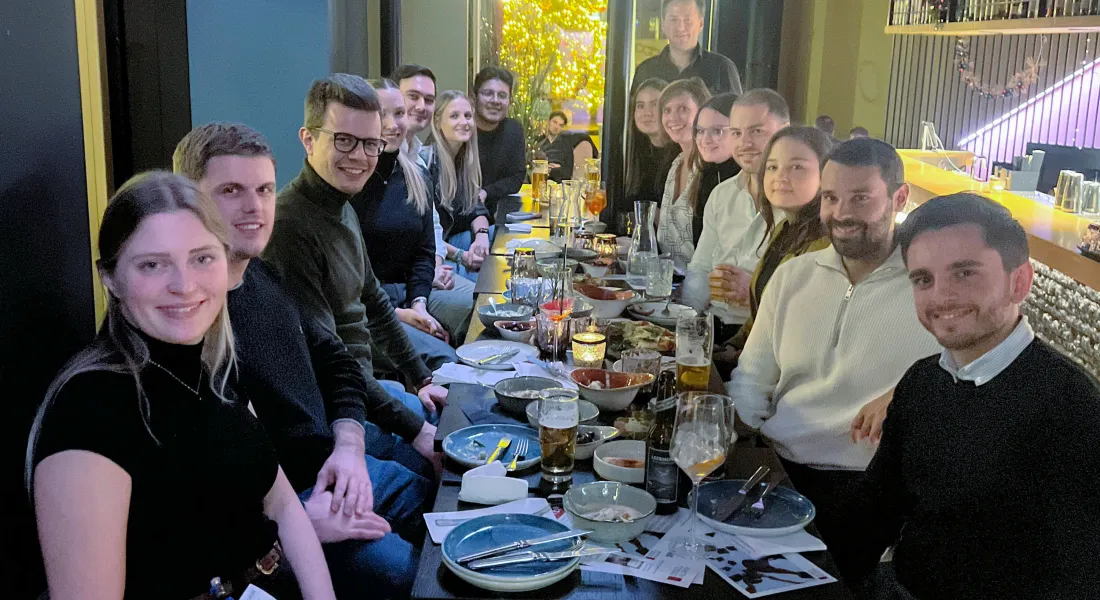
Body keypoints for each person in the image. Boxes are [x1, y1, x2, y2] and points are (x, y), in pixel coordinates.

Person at [26, 172, 336, 599]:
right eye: (153, 264)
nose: (184, 285)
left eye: (202, 258)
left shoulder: (213, 365)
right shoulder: (89, 413)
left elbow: (281, 502)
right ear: (110, 278)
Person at [174, 123, 433, 598]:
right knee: (411, 574)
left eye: (264, 189)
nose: (254, 207)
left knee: (448, 501)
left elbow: (335, 361)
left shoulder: (262, 277)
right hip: (287, 512)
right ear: (189, 200)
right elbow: (206, 485)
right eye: (230, 191)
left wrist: (350, 447)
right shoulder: (185, 321)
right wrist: (287, 526)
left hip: (335, 469)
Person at [843, 192, 1100, 599]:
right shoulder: (922, 382)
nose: (941, 296)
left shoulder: (1073, 409)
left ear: (1020, 281)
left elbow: (1078, 577)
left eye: (964, 273)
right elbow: (875, 515)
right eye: (923, 279)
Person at [729, 138, 942, 578]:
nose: (841, 213)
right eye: (830, 197)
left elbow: (978, 369)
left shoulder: (930, 289)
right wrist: (739, 453)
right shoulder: (792, 276)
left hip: (867, 489)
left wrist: (908, 391)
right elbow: (752, 379)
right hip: (777, 470)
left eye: (860, 198)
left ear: (899, 198)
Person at [263, 75, 448, 436]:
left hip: (361, 393)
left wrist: (421, 378)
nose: (360, 157)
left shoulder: (340, 203)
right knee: (433, 471)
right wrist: (412, 429)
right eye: (344, 141)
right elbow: (329, 357)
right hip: (333, 415)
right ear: (309, 139)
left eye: (370, 144)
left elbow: (375, 303)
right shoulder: (289, 227)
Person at [353, 78, 468, 354]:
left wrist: (419, 303)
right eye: (382, 114)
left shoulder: (416, 175)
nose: (393, 125)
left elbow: (424, 251)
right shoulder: (352, 179)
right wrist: (399, 312)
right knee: (444, 357)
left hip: (411, 292)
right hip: (368, 307)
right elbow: (348, 281)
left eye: (399, 113)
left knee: (477, 310)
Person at [684, 89, 790, 336]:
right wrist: (685, 326)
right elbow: (700, 268)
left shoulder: (798, 205)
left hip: (767, 335)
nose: (745, 143)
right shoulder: (722, 194)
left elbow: (807, 302)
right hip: (713, 327)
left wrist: (752, 291)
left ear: (785, 130)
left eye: (757, 131)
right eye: (736, 133)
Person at [722, 126, 834, 349]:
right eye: (772, 167)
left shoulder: (824, 246)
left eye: (796, 167)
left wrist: (734, 358)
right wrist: (730, 348)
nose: (780, 177)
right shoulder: (785, 227)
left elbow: (796, 334)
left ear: (826, 175)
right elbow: (761, 319)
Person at [392, 63, 477, 339]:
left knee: (489, 299)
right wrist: (435, 270)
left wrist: (436, 262)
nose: (421, 105)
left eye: (428, 99)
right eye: (412, 96)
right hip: (398, 289)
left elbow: (433, 229)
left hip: (422, 277)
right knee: (480, 308)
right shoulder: (383, 160)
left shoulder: (416, 156)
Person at [430, 90, 493, 282]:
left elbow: (476, 206)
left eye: (467, 116)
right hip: (435, 254)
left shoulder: (464, 161)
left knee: (493, 235)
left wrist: (481, 236)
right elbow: (426, 235)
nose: (464, 122)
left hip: (454, 243)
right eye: (454, 116)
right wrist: (461, 255)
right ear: (438, 122)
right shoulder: (429, 163)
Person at [631, 0, 742, 96]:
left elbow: (737, 117)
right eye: (674, 20)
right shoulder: (646, 71)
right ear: (663, 24)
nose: (680, 27)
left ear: (701, 24)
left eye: (687, 20)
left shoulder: (721, 68)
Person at [656, 77, 710, 271]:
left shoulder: (709, 168)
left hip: (699, 288)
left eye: (683, 109)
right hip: (665, 281)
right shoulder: (675, 164)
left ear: (702, 114)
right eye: (667, 110)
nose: (673, 118)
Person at [472, 66, 526, 222]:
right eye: (488, 93)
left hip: (497, 219)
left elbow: (516, 177)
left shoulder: (513, 130)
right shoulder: (461, 128)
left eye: (502, 95)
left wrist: (487, 192)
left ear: (510, 101)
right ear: (474, 96)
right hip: (459, 223)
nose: (495, 100)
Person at [621, 77, 676, 228]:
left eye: (655, 104)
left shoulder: (680, 155)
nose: (647, 113)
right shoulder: (634, 153)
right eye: (640, 106)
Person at [688, 92, 740, 243]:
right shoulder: (706, 174)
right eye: (700, 131)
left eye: (717, 131)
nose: (705, 140)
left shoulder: (749, 180)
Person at [536, 110, 598, 183]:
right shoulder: (538, 142)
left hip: (558, 182)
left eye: (560, 125)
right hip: (539, 178)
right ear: (548, 122)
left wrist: (554, 170)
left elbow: (568, 173)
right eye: (554, 122)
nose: (556, 127)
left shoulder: (566, 144)